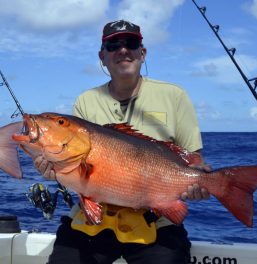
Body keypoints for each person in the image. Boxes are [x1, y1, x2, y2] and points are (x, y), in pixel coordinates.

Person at [34, 20, 211, 264]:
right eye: (113, 45)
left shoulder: (174, 96)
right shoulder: (86, 101)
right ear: (102, 56)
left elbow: (194, 160)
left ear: (143, 52)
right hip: (93, 223)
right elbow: (78, 171)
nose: (123, 50)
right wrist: (54, 170)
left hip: (155, 222)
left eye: (131, 43)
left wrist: (200, 183)